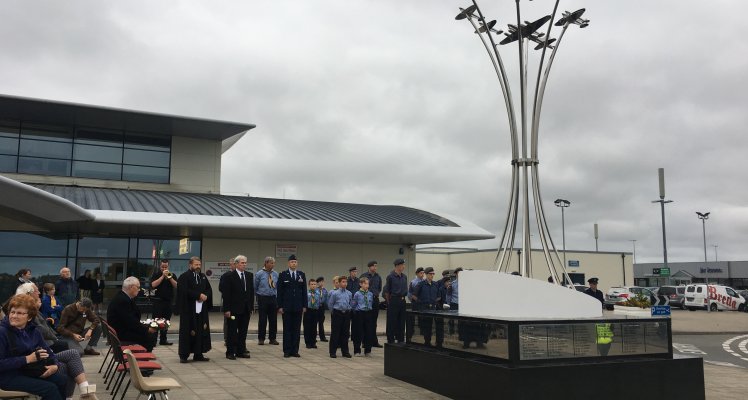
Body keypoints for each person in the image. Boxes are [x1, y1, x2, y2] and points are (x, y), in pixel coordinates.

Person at [0, 294, 74, 400]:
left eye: (20, 313)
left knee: (62, 380)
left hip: (28, 371)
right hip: (7, 376)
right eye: (12, 312)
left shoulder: (34, 331)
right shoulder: (2, 332)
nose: (14, 316)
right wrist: (27, 359)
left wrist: (55, 365)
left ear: (29, 317)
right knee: (50, 389)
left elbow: (49, 352)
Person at [176, 257, 212, 363]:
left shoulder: (203, 277)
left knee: (201, 329)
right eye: (196, 265)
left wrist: (205, 295)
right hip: (189, 310)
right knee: (188, 330)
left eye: (199, 265)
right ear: (190, 265)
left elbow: (209, 289)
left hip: (201, 309)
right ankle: (184, 355)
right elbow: (184, 291)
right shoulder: (184, 277)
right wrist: (198, 295)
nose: (198, 267)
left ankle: (198, 353)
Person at [15, 283, 69, 354]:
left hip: (47, 337)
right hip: (41, 343)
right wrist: (55, 338)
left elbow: (61, 308)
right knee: (67, 348)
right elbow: (41, 329)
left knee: (67, 346)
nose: (39, 293)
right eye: (36, 291)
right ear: (29, 294)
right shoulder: (28, 310)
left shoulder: (53, 298)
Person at [107, 277, 157, 352]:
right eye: (138, 287)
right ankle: (143, 359)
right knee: (149, 336)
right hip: (122, 334)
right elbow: (131, 322)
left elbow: (131, 319)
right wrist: (147, 329)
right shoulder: (123, 300)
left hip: (122, 330)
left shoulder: (123, 297)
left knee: (148, 334)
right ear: (131, 287)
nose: (139, 289)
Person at [221, 255, 254, 360]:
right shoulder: (229, 276)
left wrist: (251, 307)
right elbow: (226, 294)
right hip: (233, 309)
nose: (244, 264)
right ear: (236, 264)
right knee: (232, 331)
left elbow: (251, 292)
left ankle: (241, 350)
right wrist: (226, 309)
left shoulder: (249, 275)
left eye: (245, 263)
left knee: (243, 331)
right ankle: (230, 352)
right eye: (242, 263)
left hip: (245, 309)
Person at [277, 254, 306, 358]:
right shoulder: (283, 275)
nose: (294, 263)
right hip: (287, 307)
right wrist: (280, 306)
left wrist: (304, 305)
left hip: (298, 307)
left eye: (295, 262)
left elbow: (304, 291)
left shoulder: (301, 275)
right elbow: (279, 292)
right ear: (288, 263)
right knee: (287, 329)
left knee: (296, 329)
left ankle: (295, 350)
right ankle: (287, 350)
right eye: (292, 262)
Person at [150, 259, 177, 346]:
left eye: (166, 267)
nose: (164, 268)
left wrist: (170, 278)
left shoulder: (172, 275)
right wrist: (162, 276)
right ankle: (153, 340)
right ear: (160, 266)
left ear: (168, 267)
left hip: (168, 302)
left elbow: (177, 286)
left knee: (166, 321)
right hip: (158, 302)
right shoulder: (156, 274)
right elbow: (153, 285)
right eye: (163, 267)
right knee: (156, 321)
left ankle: (163, 340)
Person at [414, 267, 443, 347]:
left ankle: (439, 343)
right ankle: (427, 342)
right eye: (430, 274)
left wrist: (434, 301)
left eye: (433, 274)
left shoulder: (435, 284)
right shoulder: (421, 284)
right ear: (426, 274)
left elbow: (439, 296)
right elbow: (414, 295)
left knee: (437, 326)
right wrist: (421, 302)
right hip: (425, 308)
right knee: (427, 326)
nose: (432, 275)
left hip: (433, 308)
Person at [254, 256, 279, 346]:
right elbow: (255, 287)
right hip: (262, 298)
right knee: (262, 319)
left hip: (273, 298)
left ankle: (272, 338)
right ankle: (261, 338)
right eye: (271, 263)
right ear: (266, 263)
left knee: (273, 319)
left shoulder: (275, 274)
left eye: (273, 263)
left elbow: (277, 287)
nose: (273, 265)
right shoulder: (259, 274)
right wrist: (258, 296)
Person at [383, 259, 408, 344]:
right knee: (392, 320)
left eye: (404, 265)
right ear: (397, 265)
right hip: (394, 300)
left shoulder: (404, 276)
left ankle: (400, 338)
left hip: (403, 300)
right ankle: (390, 338)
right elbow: (387, 291)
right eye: (402, 265)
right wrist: (389, 302)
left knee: (401, 320)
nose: (404, 266)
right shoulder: (390, 276)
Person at [327, 276, 352, 358]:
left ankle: (345, 352)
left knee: (345, 333)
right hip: (337, 313)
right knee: (335, 333)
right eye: (343, 282)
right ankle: (332, 352)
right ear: (340, 283)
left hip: (346, 314)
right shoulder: (335, 293)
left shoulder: (349, 293)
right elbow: (330, 304)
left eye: (346, 282)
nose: (345, 283)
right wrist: (334, 312)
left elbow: (350, 303)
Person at [360, 261, 383, 347]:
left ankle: (374, 341)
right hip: (366, 300)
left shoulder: (378, 276)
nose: (375, 268)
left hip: (375, 300)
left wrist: (375, 294)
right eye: (374, 266)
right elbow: (360, 288)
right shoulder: (364, 276)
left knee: (374, 322)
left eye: (376, 266)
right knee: (365, 321)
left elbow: (379, 288)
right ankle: (364, 341)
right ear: (369, 267)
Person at [351, 276, 374, 357]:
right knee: (358, 332)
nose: (366, 285)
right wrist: (356, 312)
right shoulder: (357, 294)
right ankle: (357, 350)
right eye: (364, 283)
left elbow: (371, 303)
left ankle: (368, 350)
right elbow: (353, 305)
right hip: (359, 313)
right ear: (360, 284)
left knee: (368, 332)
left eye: (367, 283)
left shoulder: (370, 294)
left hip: (368, 313)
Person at [406, 267, 424, 343]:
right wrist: (413, 300)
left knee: (422, 319)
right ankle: (412, 335)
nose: (422, 274)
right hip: (415, 303)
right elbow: (409, 293)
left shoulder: (424, 282)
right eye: (421, 273)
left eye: (423, 273)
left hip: (423, 304)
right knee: (413, 320)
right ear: (417, 274)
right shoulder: (413, 282)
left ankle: (422, 334)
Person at [303, 279, 320, 349]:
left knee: (314, 327)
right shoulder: (306, 293)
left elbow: (319, 301)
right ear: (309, 285)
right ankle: (308, 342)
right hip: (308, 310)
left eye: (314, 284)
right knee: (307, 327)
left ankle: (313, 342)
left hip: (315, 310)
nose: (313, 286)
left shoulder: (318, 293)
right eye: (312, 284)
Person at [315, 277, 329, 343]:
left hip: (322, 308)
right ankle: (313, 337)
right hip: (316, 307)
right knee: (314, 323)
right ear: (317, 283)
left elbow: (326, 300)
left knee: (321, 323)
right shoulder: (315, 290)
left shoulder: (325, 290)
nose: (321, 283)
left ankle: (322, 337)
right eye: (320, 282)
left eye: (322, 281)